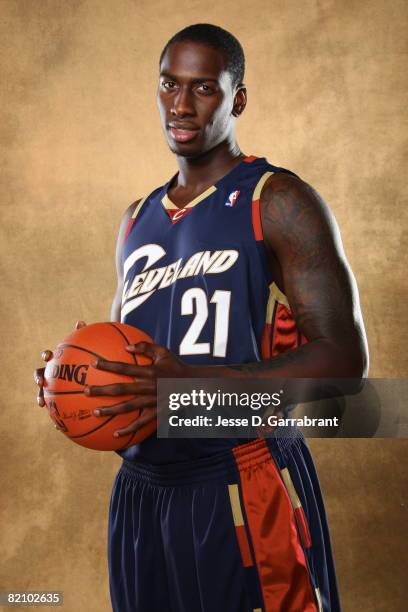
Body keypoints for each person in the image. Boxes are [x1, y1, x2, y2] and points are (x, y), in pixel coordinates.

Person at [35, 23, 368, 612]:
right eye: (169, 85)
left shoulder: (280, 200)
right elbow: (134, 361)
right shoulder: (136, 218)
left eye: (204, 88)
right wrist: (77, 383)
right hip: (142, 495)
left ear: (237, 98)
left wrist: (191, 390)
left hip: (239, 479)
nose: (181, 105)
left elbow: (343, 364)